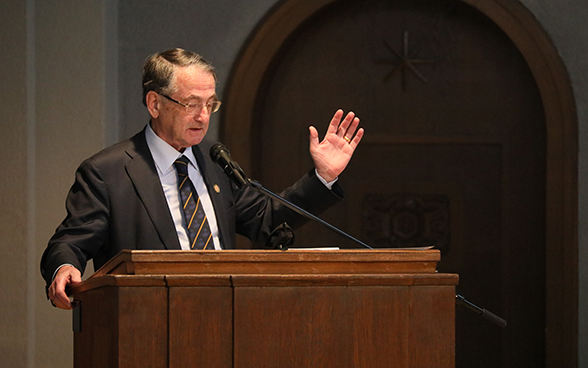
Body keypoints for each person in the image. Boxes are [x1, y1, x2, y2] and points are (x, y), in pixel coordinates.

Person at [40, 48, 364, 310]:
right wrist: (64, 267)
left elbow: (267, 220)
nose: (203, 116)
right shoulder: (108, 172)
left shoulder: (215, 161)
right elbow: (69, 241)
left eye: (210, 104)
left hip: (225, 317)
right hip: (144, 323)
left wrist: (323, 176)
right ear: (155, 103)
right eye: (192, 104)